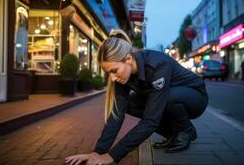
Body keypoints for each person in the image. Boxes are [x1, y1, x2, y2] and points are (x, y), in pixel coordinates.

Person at [65, 29, 208, 165]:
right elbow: (116, 115)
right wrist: (98, 152)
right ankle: (173, 134)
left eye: (114, 71)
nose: (113, 78)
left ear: (128, 59)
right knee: (130, 105)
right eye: (109, 73)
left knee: (166, 99)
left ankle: (186, 131)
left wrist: (112, 156)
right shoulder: (123, 76)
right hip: (169, 97)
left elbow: (150, 121)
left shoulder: (157, 65)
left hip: (195, 98)